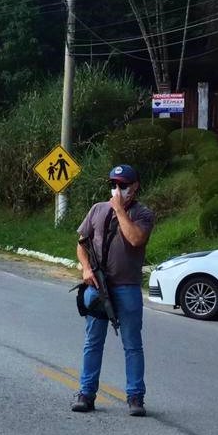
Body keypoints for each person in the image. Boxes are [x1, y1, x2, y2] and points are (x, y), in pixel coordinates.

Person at [72, 164, 155, 416]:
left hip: (126, 288)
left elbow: (135, 239)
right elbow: (81, 244)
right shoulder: (97, 209)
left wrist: (119, 209)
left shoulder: (143, 214)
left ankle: (135, 397)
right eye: (114, 185)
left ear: (135, 186)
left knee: (132, 344)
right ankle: (86, 394)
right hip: (98, 286)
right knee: (93, 342)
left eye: (123, 185)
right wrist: (86, 269)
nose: (117, 190)